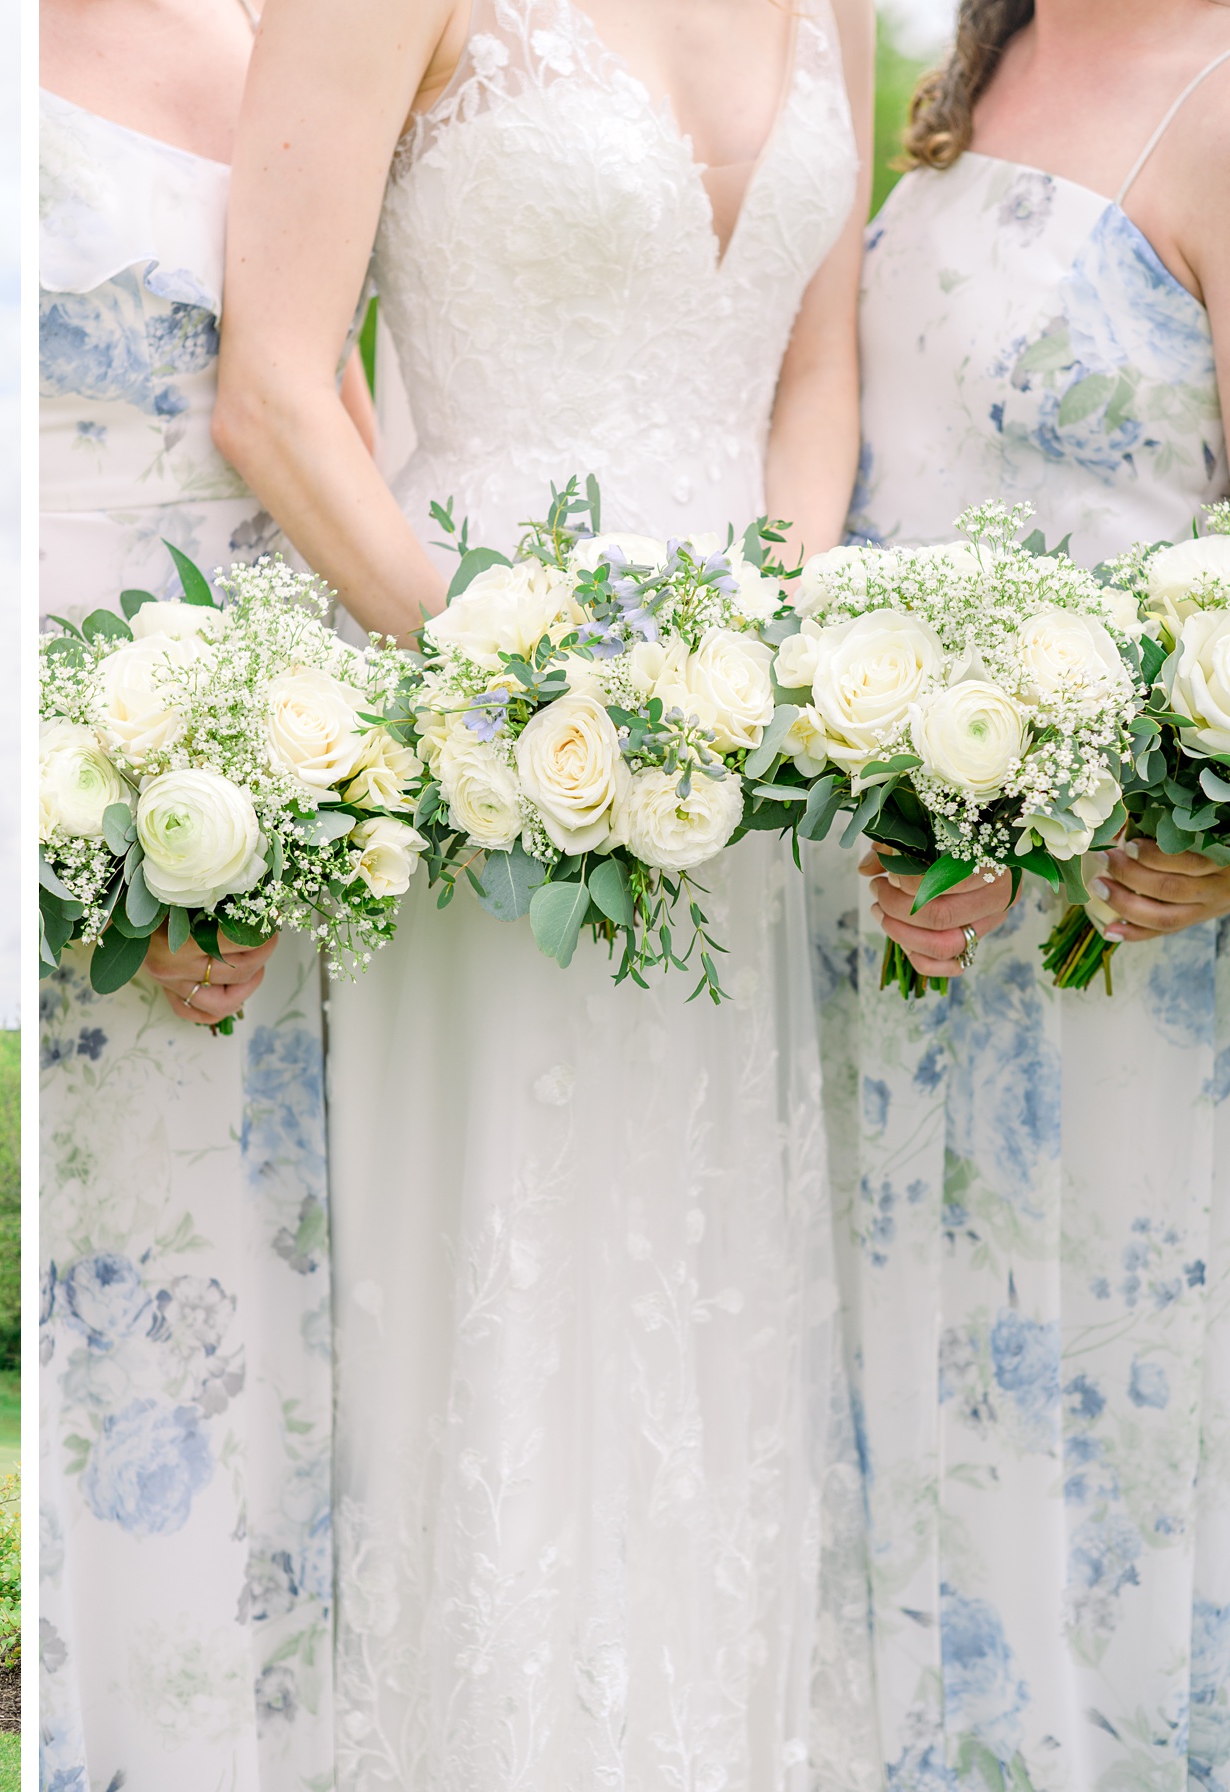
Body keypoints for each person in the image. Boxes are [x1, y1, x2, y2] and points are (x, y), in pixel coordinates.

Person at [212, 0, 876, 1781]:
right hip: (468, 736)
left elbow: (818, 380)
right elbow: (275, 384)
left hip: (743, 759)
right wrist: (505, 702)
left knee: (712, 1310)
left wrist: (762, 650)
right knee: (500, 1286)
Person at [817, 5, 1230, 1781]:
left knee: (1071, 1445)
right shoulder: (955, 87)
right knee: (890, 1442)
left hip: (1114, 946)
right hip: (880, 915)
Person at [37, 2, 344, 1779]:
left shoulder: (271, 43)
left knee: (213, 1332)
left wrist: (288, 803)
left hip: (234, 789)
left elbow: (324, 434)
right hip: (33, 756)